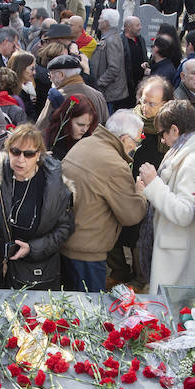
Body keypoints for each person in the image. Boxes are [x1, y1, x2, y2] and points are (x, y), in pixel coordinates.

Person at [0, 124, 74, 290]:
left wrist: (32, 249)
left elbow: (64, 228)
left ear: (39, 155)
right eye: (15, 152)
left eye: (28, 154)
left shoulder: (54, 184)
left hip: (36, 273)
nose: (21, 159)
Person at [136, 100, 195, 292]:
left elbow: (184, 213)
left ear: (174, 130)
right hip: (182, 248)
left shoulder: (192, 159)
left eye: (161, 134)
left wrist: (154, 184)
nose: (162, 140)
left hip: (178, 255)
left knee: (169, 311)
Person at [59, 109, 146, 291]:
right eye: (136, 142)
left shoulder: (85, 143)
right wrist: (140, 193)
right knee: (89, 312)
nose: (136, 147)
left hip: (65, 242)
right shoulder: (114, 164)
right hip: (88, 252)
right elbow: (132, 215)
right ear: (124, 139)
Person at [46, 92, 101, 162]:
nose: (85, 130)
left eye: (88, 125)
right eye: (80, 125)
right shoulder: (52, 138)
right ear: (67, 120)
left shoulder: (89, 140)